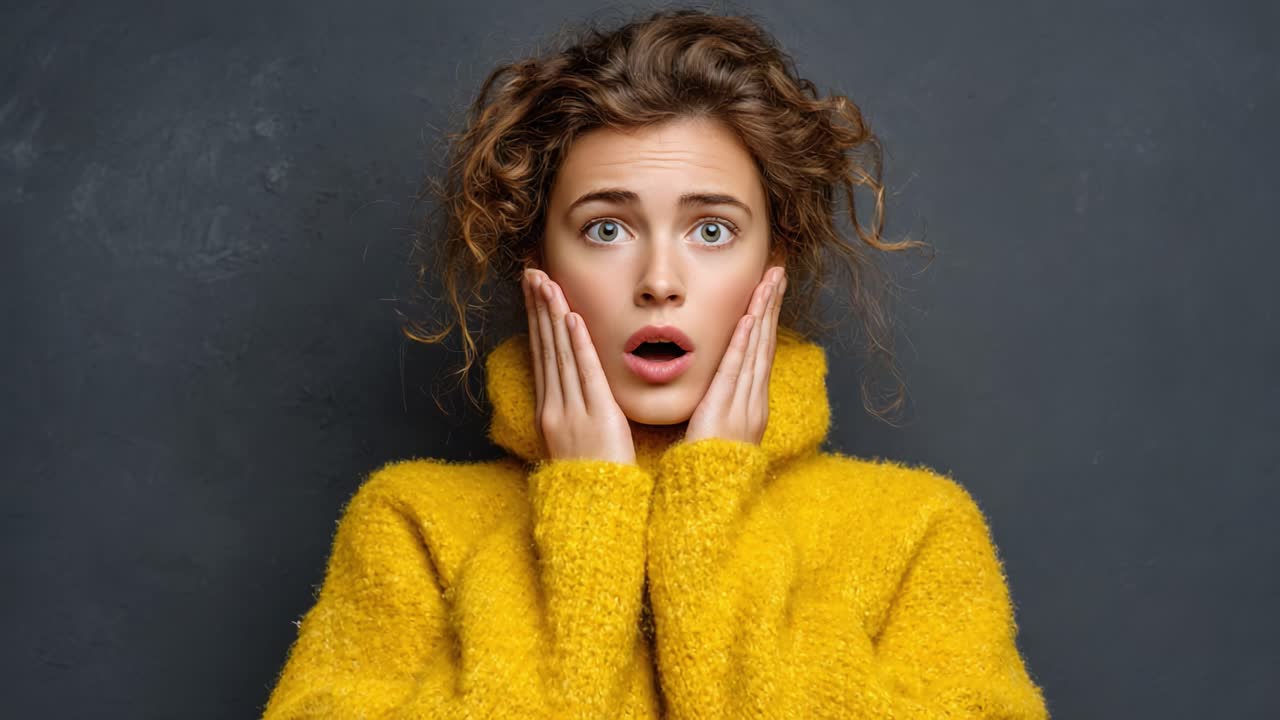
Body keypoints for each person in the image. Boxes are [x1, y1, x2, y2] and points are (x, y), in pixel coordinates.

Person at [261, 8, 1050, 719]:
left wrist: (711, 504)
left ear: (775, 259)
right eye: (607, 229)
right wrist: (587, 510)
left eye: (712, 231)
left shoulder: (915, 533)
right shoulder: (412, 528)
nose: (660, 282)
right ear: (537, 258)